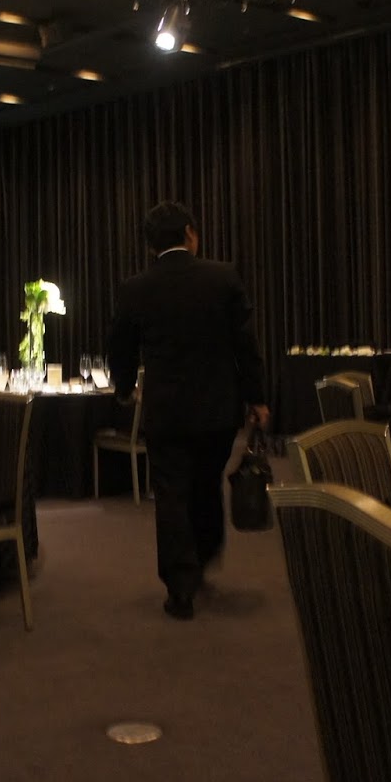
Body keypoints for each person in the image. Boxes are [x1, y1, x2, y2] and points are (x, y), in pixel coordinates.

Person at [108, 201, 269, 620]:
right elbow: (246, 345)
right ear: (190, 234)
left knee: (171, 493)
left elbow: (121, 349)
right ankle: (205, 554)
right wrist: (257, 398)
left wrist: (124, 389)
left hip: (166, 412)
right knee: (206, 483)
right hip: (218, 410)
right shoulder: (223, 277)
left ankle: (180, 588)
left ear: (150, 246)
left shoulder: (135, 288)